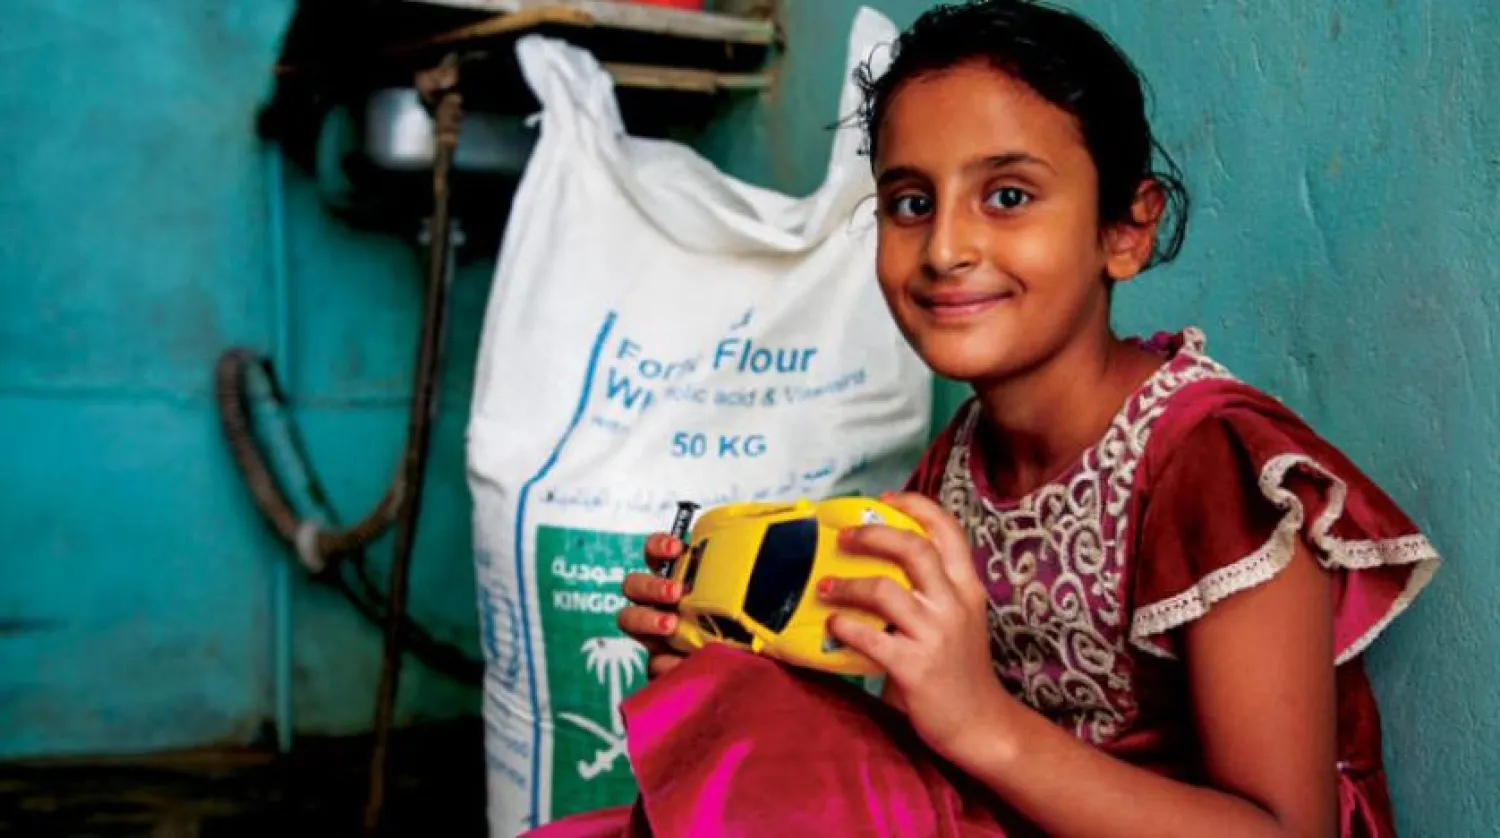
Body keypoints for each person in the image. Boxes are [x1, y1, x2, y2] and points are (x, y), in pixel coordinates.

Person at [602, 1, 1442, 836]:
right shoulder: (954, 468)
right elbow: (906, 755)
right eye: (909, 203)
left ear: (1126, 229)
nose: (943, 249)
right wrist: (725, 666)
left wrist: (982, 726)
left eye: (1007, 195)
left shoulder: (1211, 466)